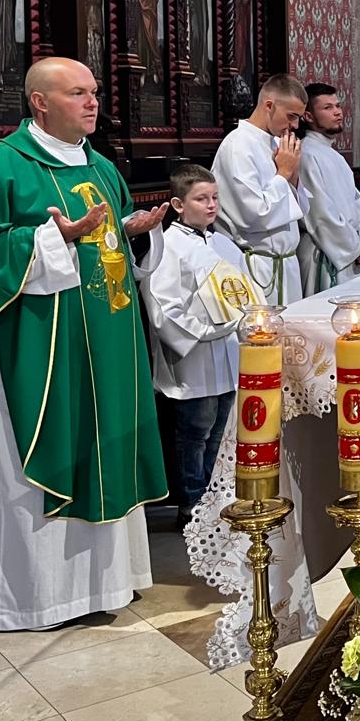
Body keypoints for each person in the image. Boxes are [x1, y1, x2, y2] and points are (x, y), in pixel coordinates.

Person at [0, 57, 169, 630]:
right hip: (34, 347)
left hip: (105, 338)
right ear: (39, 102)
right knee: (41, 450)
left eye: (93, 91)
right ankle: (33, 597)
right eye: (77, 93)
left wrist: (128, 232)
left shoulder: (102, 167)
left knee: (103, 444)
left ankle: (106, 583)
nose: (92, 102)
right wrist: (49, 240)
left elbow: (108, 248)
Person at [140, 164, 260, 531]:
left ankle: (216, 496)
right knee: (195, 433)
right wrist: (205, 331)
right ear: (178, 204)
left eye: (215, 198)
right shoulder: (167, 247)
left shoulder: (221, 243)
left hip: (227, 352)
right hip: (194, 356)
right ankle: (192, 503)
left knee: (221, 432)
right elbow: (161, 305)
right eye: (201, 199)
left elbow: (242, 290)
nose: (211, 205)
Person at [212, 74, 309, 305]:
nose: (296, 125)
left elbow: (300, 210)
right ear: (269, 105)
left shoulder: (275, 143)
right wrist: (283, 173)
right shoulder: (238, 146)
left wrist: (294, 174)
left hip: (287, 264)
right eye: (291, 116)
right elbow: (254, 215)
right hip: (256, 266)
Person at [298, 83, 360, 292]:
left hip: (350, 249)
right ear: (308, 116)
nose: (337, 112)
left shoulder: (334, 156)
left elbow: (355, 200)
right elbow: (319, 213)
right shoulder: (306, 154)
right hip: (325, 252)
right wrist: (353, 246)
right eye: (327, 107)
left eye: (338, 106)